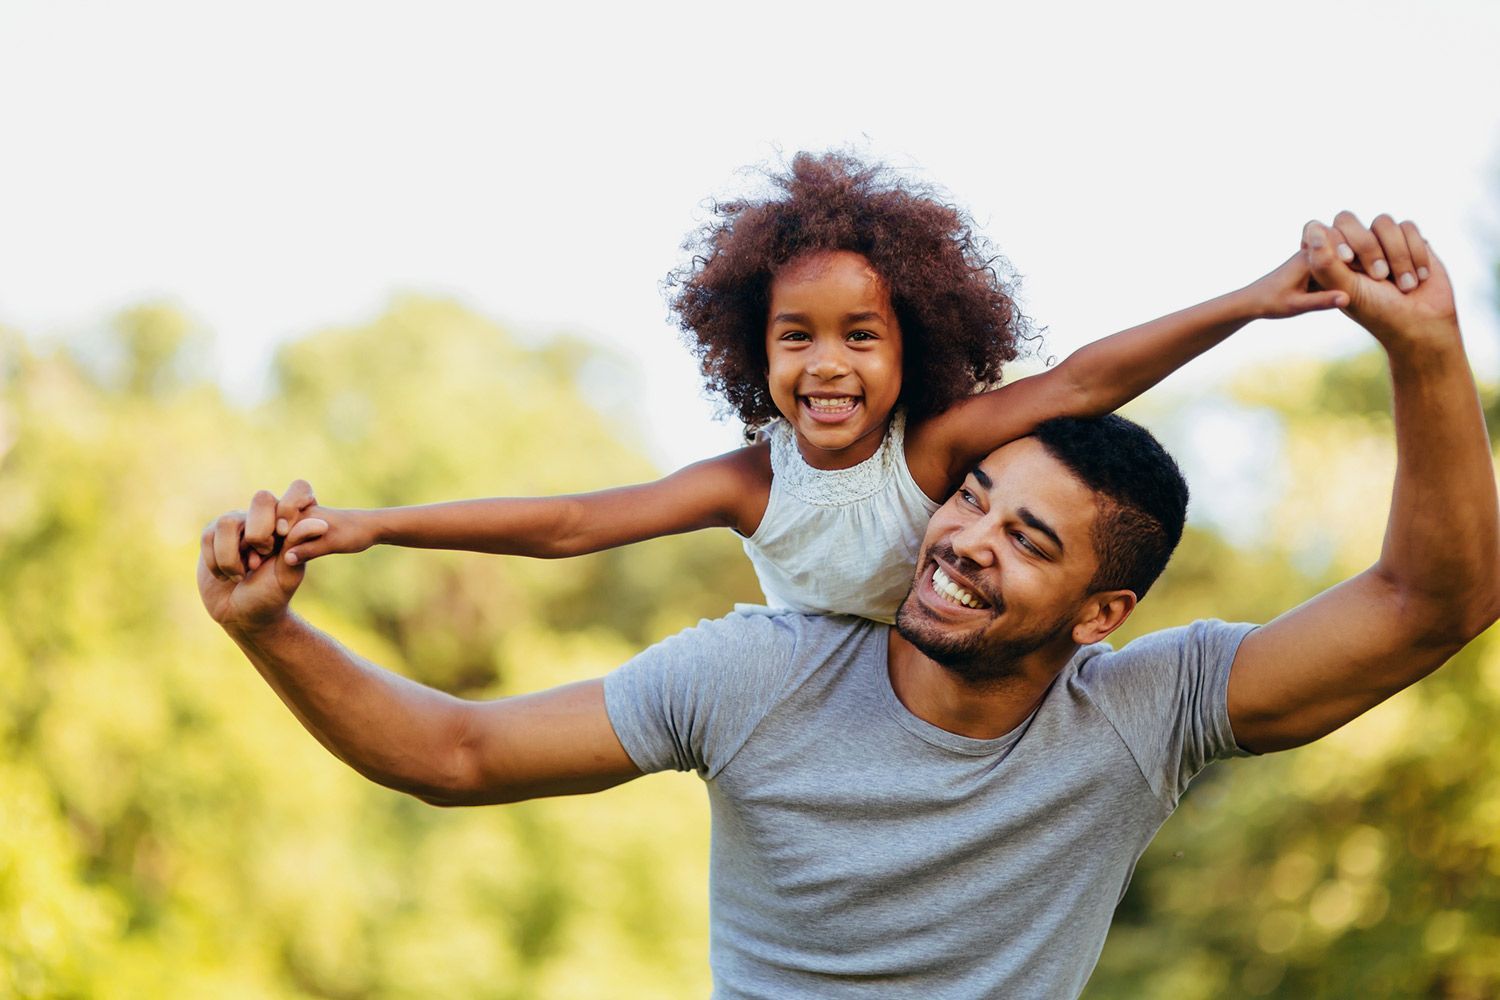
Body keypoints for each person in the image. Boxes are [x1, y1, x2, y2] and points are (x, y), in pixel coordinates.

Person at [199, 212, 1498, 997]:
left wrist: (1427, 351)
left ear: (1099, 613)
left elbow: (1432, 603)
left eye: (1026, 537)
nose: (965, 537)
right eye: (973, 495)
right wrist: (272, 626)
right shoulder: (760, 673)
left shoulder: (1145, 714)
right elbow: (455, 748)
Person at [241, 152, 1353, 624]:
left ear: (911, 345)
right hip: (814, 707)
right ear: (751, 350)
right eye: (795, 337)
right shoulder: (747, 483)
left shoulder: (931, 454)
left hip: (954, 684)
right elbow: (575, 522)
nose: (827, 365)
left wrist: (1248, 301)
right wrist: (376, 526)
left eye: (861, 335)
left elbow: (1084, 378)